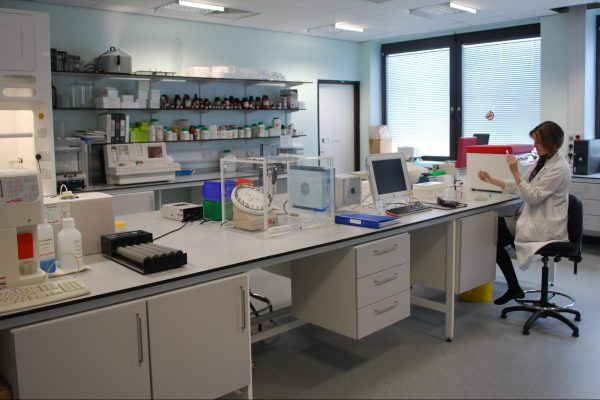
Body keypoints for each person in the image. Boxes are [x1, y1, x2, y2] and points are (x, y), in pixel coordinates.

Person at [477, 121, 571, 305]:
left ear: (551, 142)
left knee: (491, 234)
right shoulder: (543, 161)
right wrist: (491, 180)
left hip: (545, 225)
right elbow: (519, 186)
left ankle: (513, 287)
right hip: (534, 217)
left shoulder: (560, 168)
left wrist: (515, 171)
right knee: (495, 233)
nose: (534, 146)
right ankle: (514, 286)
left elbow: (533, 196)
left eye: (538, 142)